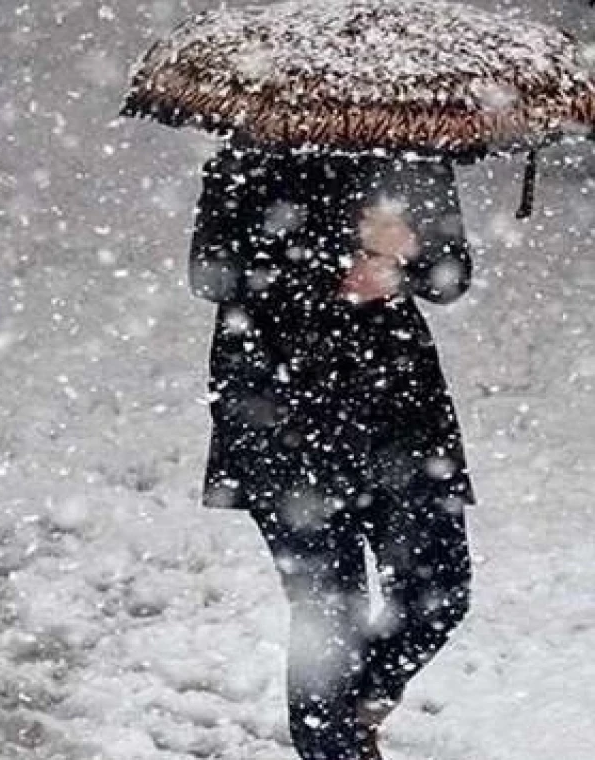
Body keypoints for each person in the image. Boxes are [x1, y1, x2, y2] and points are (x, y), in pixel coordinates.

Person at [188, 146, 475, 760]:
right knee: (329, 616)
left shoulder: (411, 145)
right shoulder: (250, 151)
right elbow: (213, 272)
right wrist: (338, 260)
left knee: (441, 588)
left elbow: (452, 274)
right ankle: (337, 742)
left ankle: (356, 708)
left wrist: (407, 257)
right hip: (281, 414)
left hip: (399, 413)